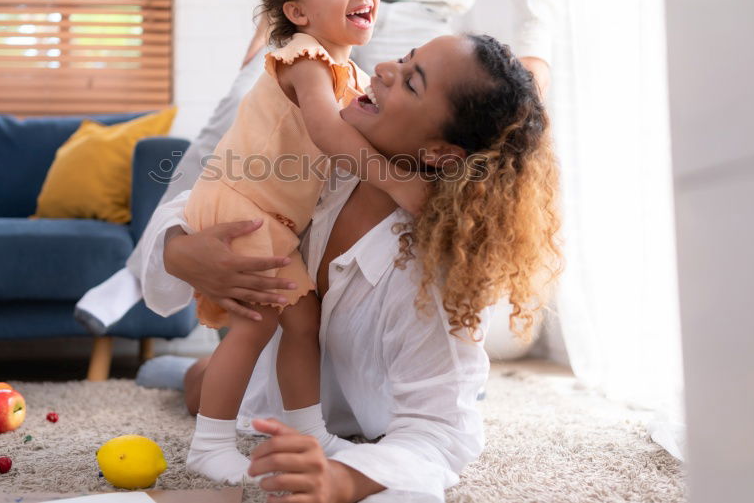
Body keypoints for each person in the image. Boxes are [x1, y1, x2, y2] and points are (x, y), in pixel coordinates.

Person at [74, 0, 554, 340]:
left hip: (422, 20)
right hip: (325, 0)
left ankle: (435, 327)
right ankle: (151, 274)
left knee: (406, 167)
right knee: (243, 113)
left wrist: (536, 53)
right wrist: (273, 13)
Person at [138, 33, 562, 500]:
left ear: (440, 152)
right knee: (201, 387)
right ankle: (182, 371)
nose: (382, 68)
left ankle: (184, 371)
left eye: (411, 82)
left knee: (209, 383)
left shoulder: (429, 276)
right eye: (404, 58)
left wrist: (344, 478)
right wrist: (179, 250)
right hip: (267, 365)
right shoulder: (327, 151)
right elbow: (203, 197)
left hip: (349, 413)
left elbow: (441, 437)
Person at [181, 0, 427, 484]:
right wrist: (394, 179)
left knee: (302, 323)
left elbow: (370, 121)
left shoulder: (349, 70)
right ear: (297, 12)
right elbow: (325, 129)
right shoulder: (305, 56)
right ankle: (210, 443)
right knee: (257, 325)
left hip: (270, 215)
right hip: (241, 205)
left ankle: (308, 430)